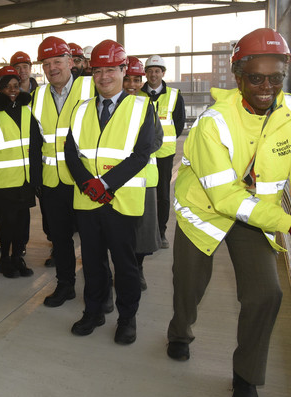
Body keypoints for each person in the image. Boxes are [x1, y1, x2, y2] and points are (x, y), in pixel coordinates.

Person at [166, 28, 291, 397]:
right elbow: (224, 197)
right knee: (189, 286)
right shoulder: (214, 123)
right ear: (239, 77)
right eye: (256, 77)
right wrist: (288, 225)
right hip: (204, 212)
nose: (267, 86)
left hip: (255, 218)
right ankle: (179, 332)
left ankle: (246, 376)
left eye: (275, 78)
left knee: (266, 294)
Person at [64, 40, 154, 344]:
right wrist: (87, 184)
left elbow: (141, 155)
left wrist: (104, 184)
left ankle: (127, 319)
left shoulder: (142, 107)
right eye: (98, 70)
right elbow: (71, 153)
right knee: (91, 262)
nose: (104, 77)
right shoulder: (81, 108)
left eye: (111, 70)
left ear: (123, 70)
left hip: (121, 201)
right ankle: (94, 311)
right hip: (87, 201)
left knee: (125, 264)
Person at [29, 36, 94, 308]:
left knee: (93, 241)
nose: (52, 67)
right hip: (52, 181)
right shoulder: (39, 95)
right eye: (46, 63)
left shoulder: (90, 87)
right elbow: (35, 140)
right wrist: (35, 179)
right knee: (61, 239)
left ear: (71, 62)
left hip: (86, 180)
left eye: (57, 61)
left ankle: (96, 291)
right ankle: (65, 285)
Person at [0, 66, 37, 277]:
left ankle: (18, 258)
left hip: (24, 179)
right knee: (6, 224)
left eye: (16, 86)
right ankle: (4, 261)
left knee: (22, 223)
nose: (13, 90)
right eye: (7, 87)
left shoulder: (27, 110)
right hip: (3, 181)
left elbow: (35, 143)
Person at [124, 56, 162, 291]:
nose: (131, 84)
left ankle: (137, 271)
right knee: (119, 232)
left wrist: (133, 154)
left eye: (136, 79)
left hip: (143, 180)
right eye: (127, 78)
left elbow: (156, 139)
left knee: (142, 232)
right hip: (114, 180)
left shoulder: (146, 106)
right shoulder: (107, 106)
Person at [141, 54, 185, 248]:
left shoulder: (175, 95)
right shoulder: (137, 95)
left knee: (163, 195)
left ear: (163, 73)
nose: (153, 74)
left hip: (165, 154)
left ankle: (161, 232)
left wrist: (164, 141)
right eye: (150, 71)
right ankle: (144, 231)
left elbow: (180, 123)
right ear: (146, 73)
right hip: (142, 154)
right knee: (142, 193)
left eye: (157, 71)